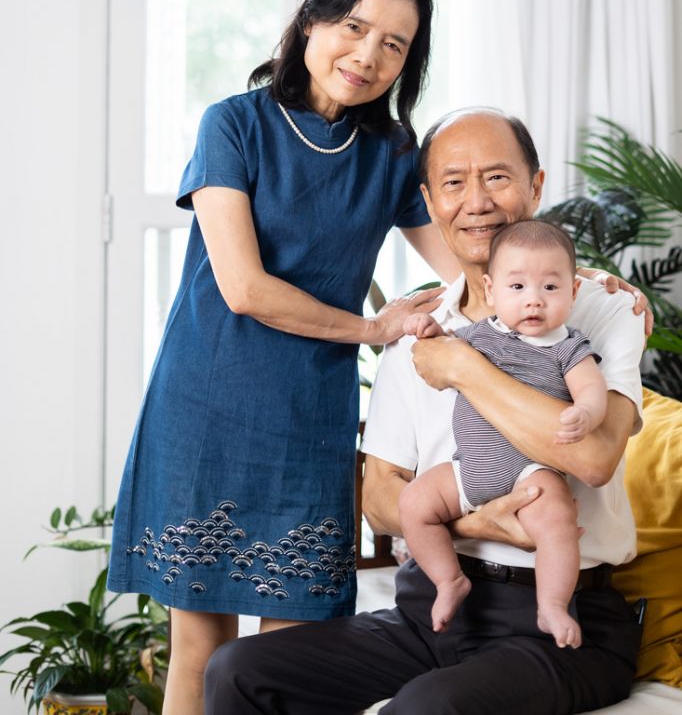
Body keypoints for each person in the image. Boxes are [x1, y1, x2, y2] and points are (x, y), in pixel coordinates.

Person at [107, 0, 465, 715]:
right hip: (205, 407)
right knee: (201, 651)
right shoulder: (232, 125)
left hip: (307, 424)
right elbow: (244, 288)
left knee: (283, 659)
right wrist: (374, 328)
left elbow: (469, 267)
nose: (367, 55)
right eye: (353, 26)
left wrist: (589, 285)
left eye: (394, 45)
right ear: (311, 21)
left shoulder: (393, 156)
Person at [204, 108, 647, 715]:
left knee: (424, 708)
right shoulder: (417, 325)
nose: (477, 202)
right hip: (436, 608)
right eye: (454, 183)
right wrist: (476, 525)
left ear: (536, 186)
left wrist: (464, 367)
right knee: (238, 670)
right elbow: (382, 497)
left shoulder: (601, 310)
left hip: (563, 620)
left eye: (497, 178)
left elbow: (594, 458)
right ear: (429, 201)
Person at [399, 219, 607, 647]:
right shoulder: (477, 336)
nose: (534, 300)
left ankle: (551, 604)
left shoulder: (569, 347)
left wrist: (586, 411)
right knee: (414, 502)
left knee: (556, 521)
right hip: (468, 470)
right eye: (518, 288)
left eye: (550, 288)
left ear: (573, 292)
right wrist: (430, 331)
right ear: (492, 291)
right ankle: (447, 580)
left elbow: (591, 389)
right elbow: (443, 348)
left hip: (530, 471)